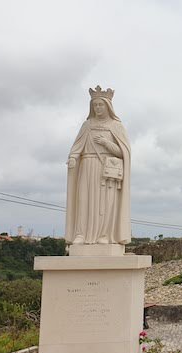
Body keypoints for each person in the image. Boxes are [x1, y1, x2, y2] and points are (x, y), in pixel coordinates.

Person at [65, 86, 131, 245]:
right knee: (84, 201)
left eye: (101, 104)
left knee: (105, 203)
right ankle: (81, 234)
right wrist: (73, 157)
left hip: (106, 170)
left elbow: (123, 153)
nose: (98, 108)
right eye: (95, 105)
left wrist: (107, 143)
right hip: (87, 167)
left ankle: (104, 235)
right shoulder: (87, 125)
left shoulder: (116, 126)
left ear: (108, 106)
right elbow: (77, 147)